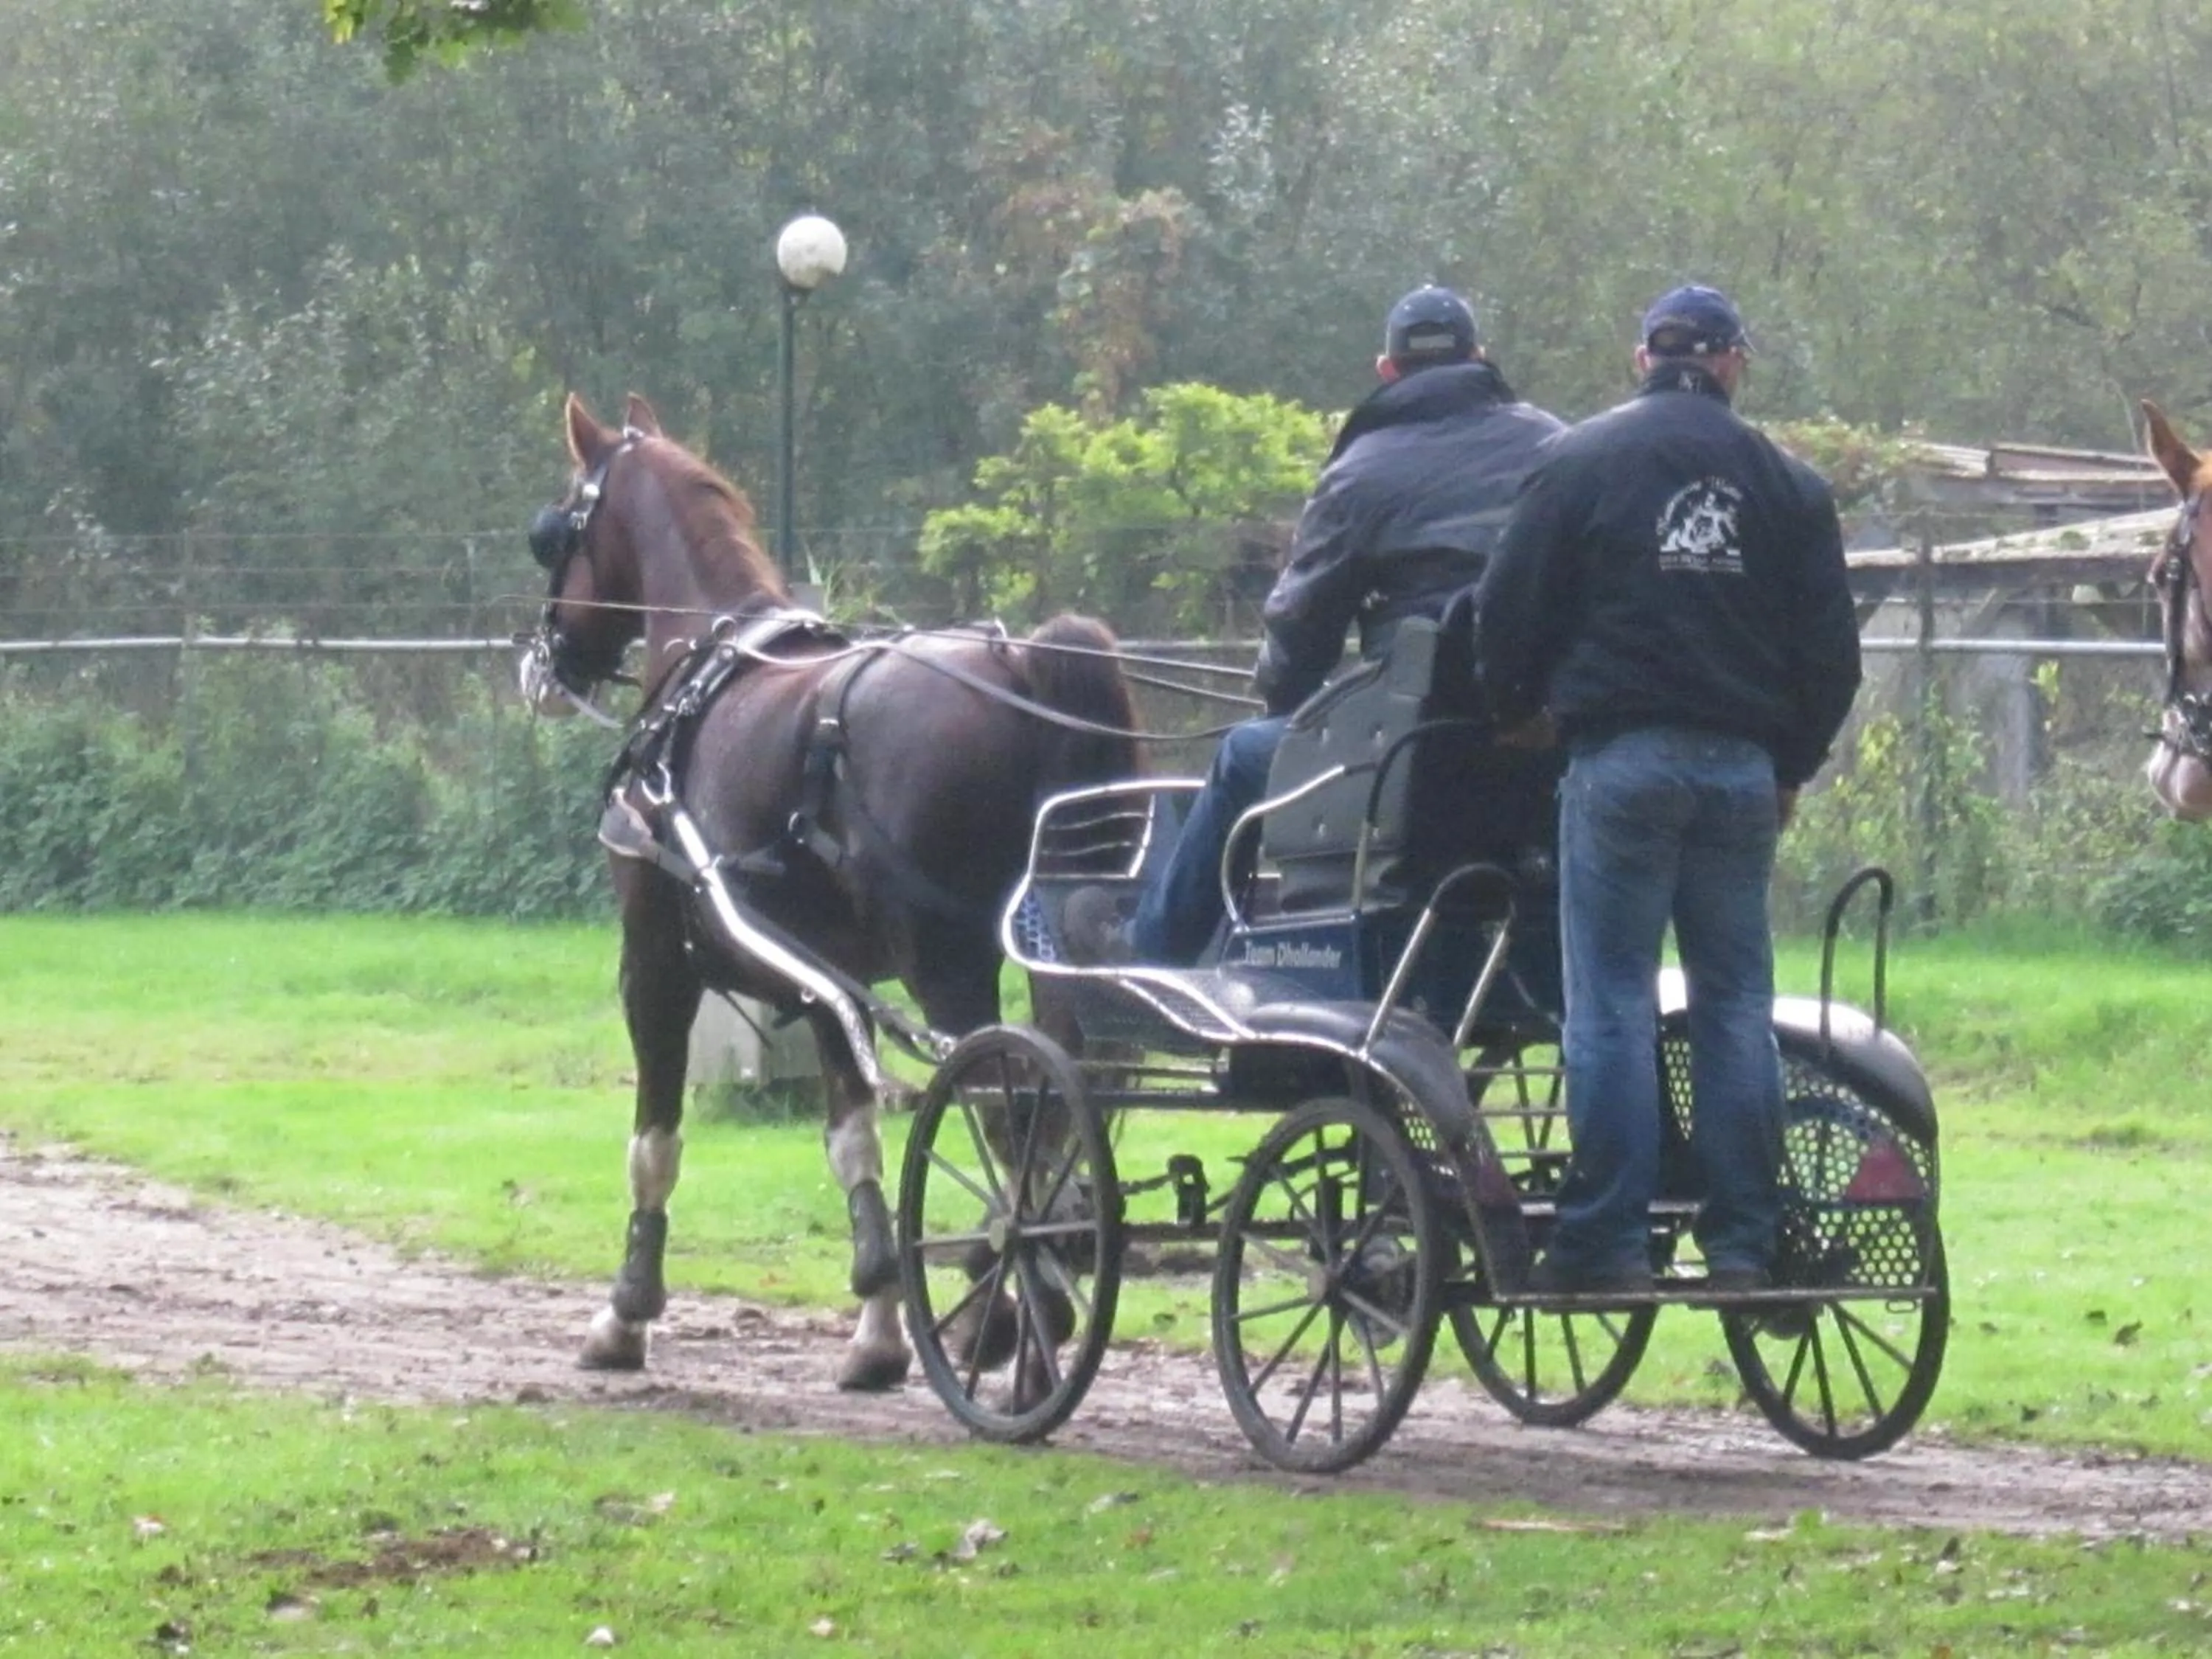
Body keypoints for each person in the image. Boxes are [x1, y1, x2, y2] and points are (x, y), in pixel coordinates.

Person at [1469, 283, 1862, 1297]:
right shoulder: (1789, 485)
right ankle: (1742, 1241)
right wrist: (1790, 766)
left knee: (1609, 1002)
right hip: (1738, 774)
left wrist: (1516, 709)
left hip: (1620, 764)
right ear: (1733, 362)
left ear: (1640, 357)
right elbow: (1832, 658)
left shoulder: (1579, 459)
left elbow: (1506, 605)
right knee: (1737, 1003)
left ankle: (1603, 1241)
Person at [1065, 284, 1564, 966]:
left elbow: (1300, 631)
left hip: (1409, 765)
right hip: (1546, 761)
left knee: (1244, 753)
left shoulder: (1363, 471)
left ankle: (1154, 947)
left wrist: (1290, 704)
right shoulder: (1556, 449)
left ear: (1387, 370)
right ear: (1480, 358)